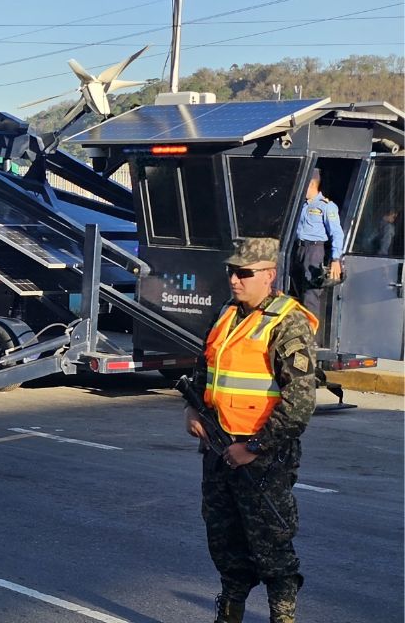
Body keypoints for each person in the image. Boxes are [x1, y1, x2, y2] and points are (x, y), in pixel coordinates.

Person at [184, 238, 317, 623]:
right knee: (224, 542)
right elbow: (203, 371)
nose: (234, 280)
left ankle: (282, 617)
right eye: (231, 271)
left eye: (244, 273)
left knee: (273, 547)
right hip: (218, 449)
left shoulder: (287, 322)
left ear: (269, 275)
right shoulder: (227, 314)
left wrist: (253, 448)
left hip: (264, 459)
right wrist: (192, 408)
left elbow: (299, 405)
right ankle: (229, 614)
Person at [290, 169, 343, 315]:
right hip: (298, 248)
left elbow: (337, 233)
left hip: (314, 250)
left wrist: (336, 259)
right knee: (295, 290)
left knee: (310, 294)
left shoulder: (326, 206)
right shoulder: (302, 204)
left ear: (311, 183)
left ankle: (310, 332)